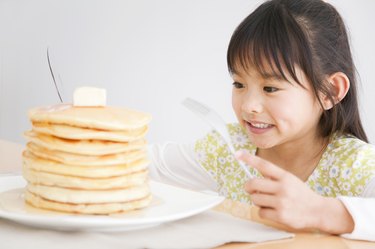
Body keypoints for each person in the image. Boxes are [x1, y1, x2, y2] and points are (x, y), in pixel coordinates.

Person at [148, 0, 375, 241]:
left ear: (330, 91)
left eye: (270, 88)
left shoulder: (354, 165)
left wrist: (320, 211)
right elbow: (143, 165)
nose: (248, 106)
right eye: (239, 84)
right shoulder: (228, 150)